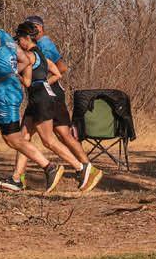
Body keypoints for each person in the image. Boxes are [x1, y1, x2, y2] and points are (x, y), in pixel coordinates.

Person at [0, 7, 58, 194]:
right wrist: (13, 73)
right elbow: (25, 60)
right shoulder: (7, 37)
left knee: (12, 138)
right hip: (0, 93)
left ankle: (49, 167)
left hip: (4, 94)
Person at [11, 21, 98, 192]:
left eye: (19, 39)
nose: (18, 43)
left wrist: (14, 74)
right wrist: (44, 84)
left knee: (48, 140)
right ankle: (16, 178)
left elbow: (23, 78)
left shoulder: (29, 56)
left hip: (40, 100)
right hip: (41, 97)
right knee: (23, 137)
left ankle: (82, 168)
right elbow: (57, 72)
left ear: (27, 38)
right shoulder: (42, 56)